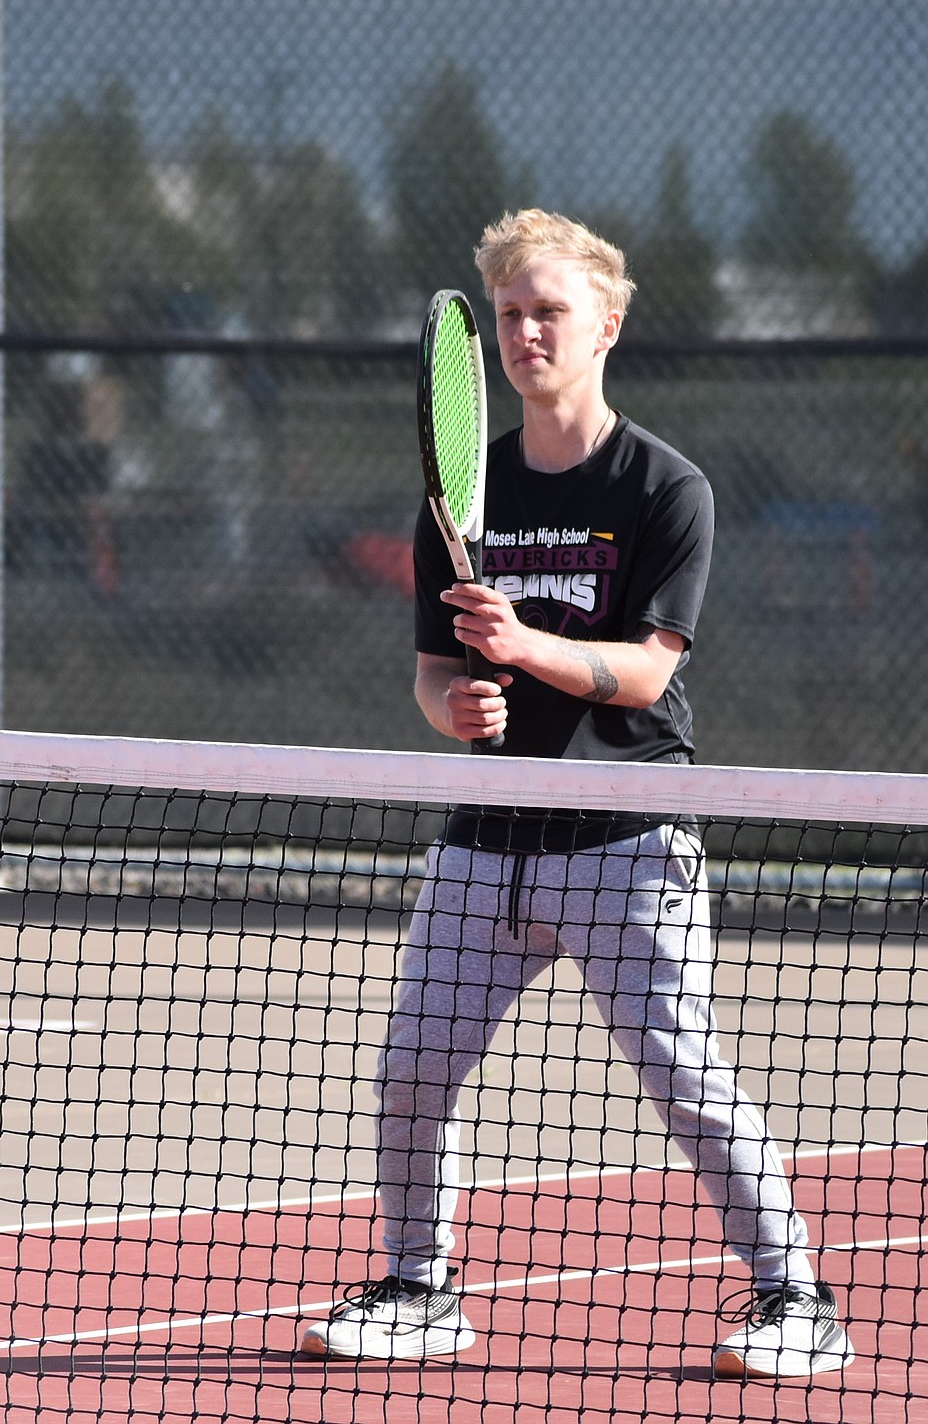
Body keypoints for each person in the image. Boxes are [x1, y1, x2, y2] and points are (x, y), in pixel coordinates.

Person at [298, 209, 854, 1379]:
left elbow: (648, 670)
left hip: (626, 836)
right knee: (410, 1075)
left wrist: (530, 643)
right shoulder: (464, 489)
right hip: (486, 843)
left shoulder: (665, 489)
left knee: (684, 1082)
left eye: (549, 310)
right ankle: (418, 1287)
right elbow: (437, 671)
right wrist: (456, 706)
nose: (525, 332)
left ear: (607, 322)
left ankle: (797, 1300)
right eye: (508, 314)